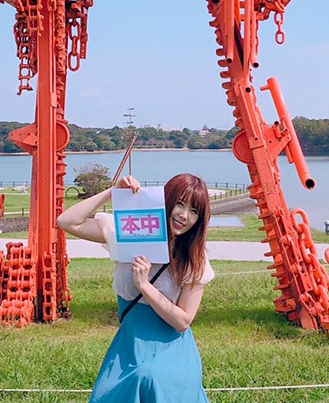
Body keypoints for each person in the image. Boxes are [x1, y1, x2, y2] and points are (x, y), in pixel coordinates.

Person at [57, 173, 214, 403]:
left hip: (171, 348)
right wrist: (114, 192)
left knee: (148, 378)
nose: (184, 215)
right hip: (130, 343)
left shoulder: (194, 258)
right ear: (166, 200)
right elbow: (67, 221)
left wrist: (144, 285)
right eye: (180, 204)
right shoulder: (130, 231)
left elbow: (183, 321)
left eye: (194, 211)